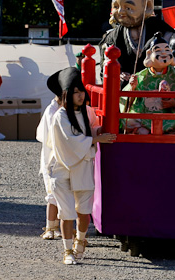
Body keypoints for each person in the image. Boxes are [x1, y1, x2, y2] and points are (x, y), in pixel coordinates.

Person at [47, 68, 117, 264]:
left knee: (83, 210)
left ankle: (80, 241)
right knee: (67, 211)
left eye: (81, 91)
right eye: (75, 92)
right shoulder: (60, 115)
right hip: (63, 167)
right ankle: (67, 251)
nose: (80, 95)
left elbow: (92, 127)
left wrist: (102, 129)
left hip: (83, 165)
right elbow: (70, 141)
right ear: (66, 95)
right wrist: (95, 138)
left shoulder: (88, 111)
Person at [101, 0, 175, 87]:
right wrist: (117, 75)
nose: (121, 12)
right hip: (125, 95)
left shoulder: (166, 34)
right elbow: (104, 72)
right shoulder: (111, 38)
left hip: (157, 91)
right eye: (116, 6)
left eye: (128, 7)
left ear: (148, 6)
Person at [121, 33, 175, 134]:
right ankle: (144, 130)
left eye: (167, 50)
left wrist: (174, 103)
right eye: (158, 50)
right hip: (146, 117)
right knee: (128, 121)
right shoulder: (140, 76)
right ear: (149, 54)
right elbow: (126, 103)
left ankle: (174, 131)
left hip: (172, 116)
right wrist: (132, 88)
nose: (164, 53)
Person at [36, 79, 62, 241]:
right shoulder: (52, 110)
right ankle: (50, 226)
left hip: (58, 153)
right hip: (52, 154)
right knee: (52, 193)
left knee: (61, 193)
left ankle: (56, 226)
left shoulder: (57, 108)